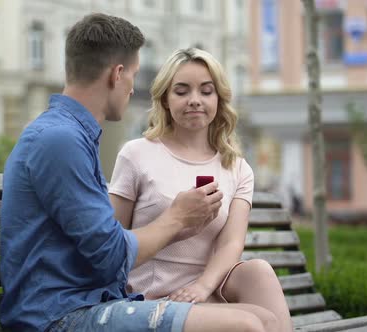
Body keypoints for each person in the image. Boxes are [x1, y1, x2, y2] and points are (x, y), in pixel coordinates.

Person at [0, 13, 277, 332]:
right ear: (117, 75)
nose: (133, 88)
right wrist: (177, 219)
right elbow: (110, 256)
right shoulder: (59, 140)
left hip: (87, 303)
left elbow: (103, 246)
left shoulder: (72, 135)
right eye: (133, 75)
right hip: (57, 316)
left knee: (265, 319)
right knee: (246, 326)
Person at [109, 48, 293, 332]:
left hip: (206, 292)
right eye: (182, 91)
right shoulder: (136, 155)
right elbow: (112, 239)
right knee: (264, 323)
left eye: (206, 91)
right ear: (165, 100)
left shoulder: (237, 167)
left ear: (218, 99)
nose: (195, 100)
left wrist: (203, 286)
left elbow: (231, 243)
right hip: (150, 299)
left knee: (259, 271)